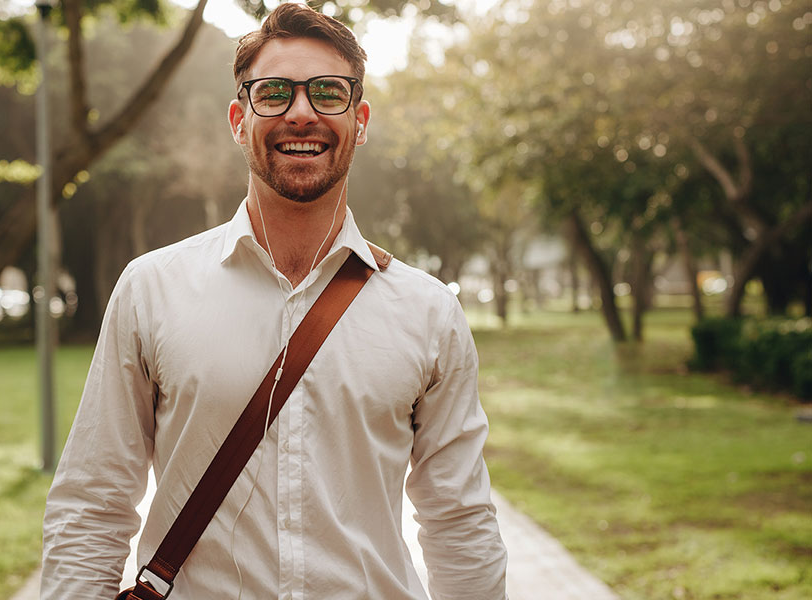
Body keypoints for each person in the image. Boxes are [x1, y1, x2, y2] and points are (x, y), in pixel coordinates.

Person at [41, 3, 508, 599]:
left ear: (359, 119)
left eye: (328, 93)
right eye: (275, 94)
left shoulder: (428, 312)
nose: (302, 113)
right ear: (239, 119)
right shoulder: (151, 289)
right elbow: (92, 505)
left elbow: (459, 519)